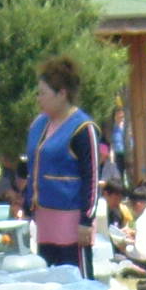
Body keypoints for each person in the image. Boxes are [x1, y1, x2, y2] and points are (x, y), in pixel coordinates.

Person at [23, 56, 100, 277]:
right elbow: (32, 167)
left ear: (62, 94)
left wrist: (86, 220)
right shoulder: (39, 124)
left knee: (76, 279)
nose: (38, 98)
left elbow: (92, 178)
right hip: (44, 219)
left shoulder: (83, 128)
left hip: (72, 221)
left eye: (43, 93)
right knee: (51, 278)